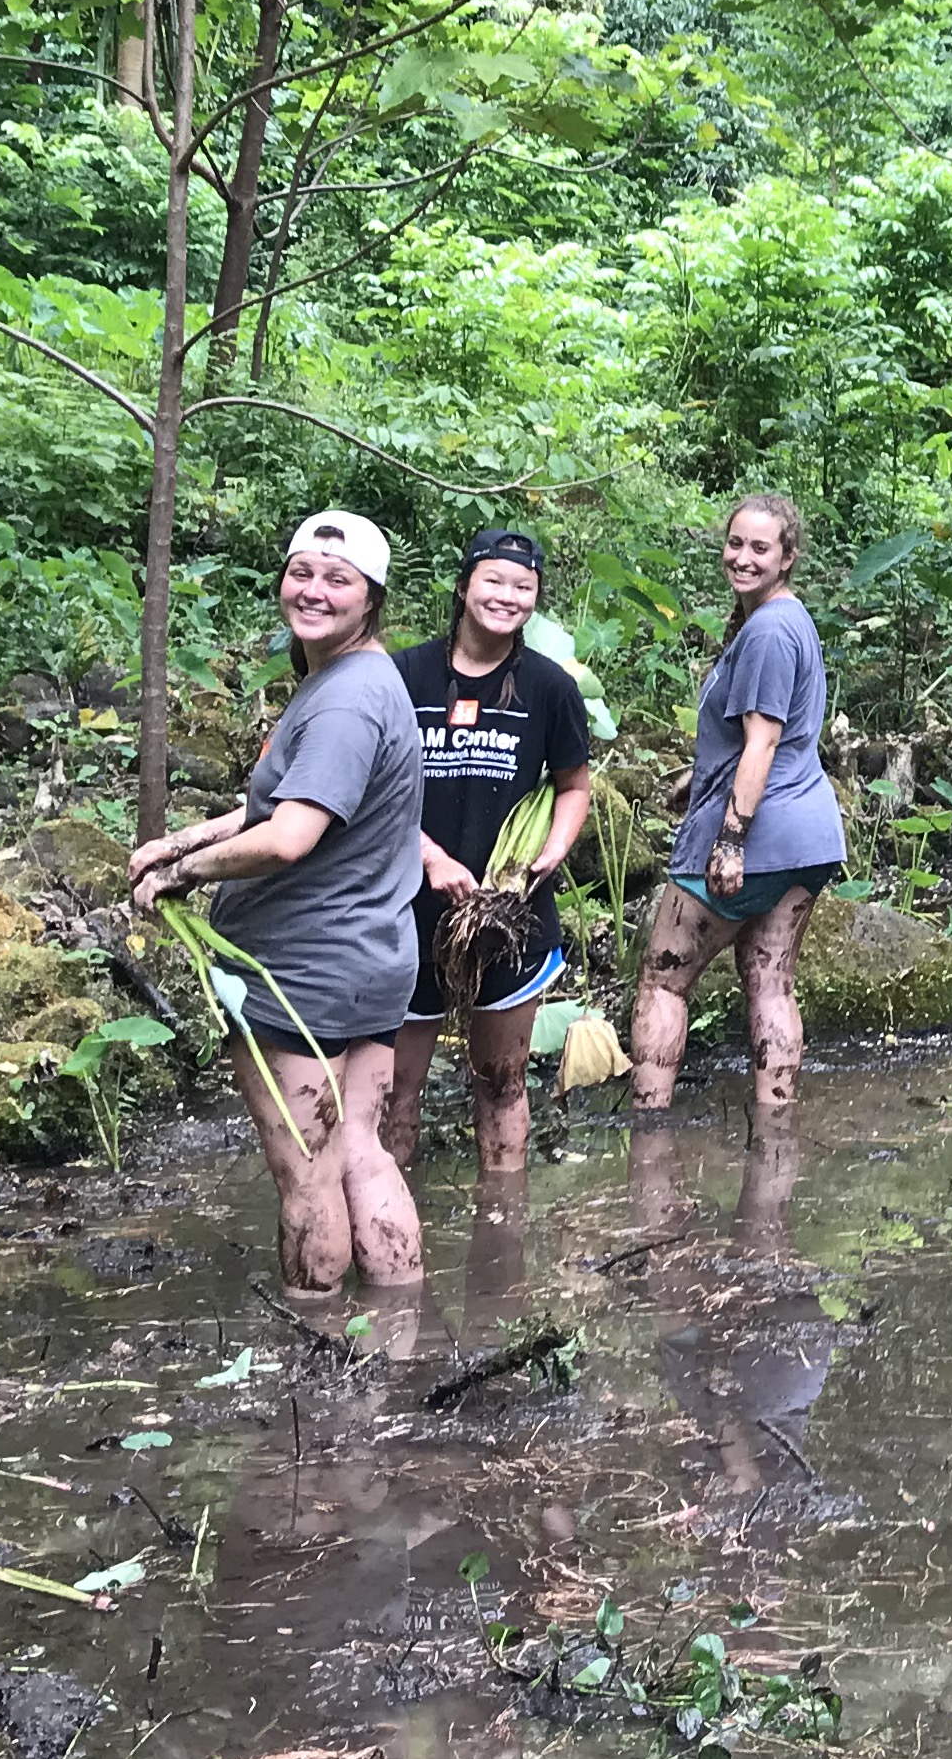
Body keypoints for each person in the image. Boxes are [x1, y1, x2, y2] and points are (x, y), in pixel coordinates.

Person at [130, 510, 427, 1292]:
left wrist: (190, 876)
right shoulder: (359, 680)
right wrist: (182, 842)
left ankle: (317, 1336)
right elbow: (289, 798)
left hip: (305, 974)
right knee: (361, 1148)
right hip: (372, 958)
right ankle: (403, 1324)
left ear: (373, 599)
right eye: (302, 573)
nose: (315, 591)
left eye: (339, 581)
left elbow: (290, 834)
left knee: (308, 1174)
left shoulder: (344, 702)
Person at [382, 528, 596, 1184]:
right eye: (494, 581)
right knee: (395, 1092)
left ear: (535, 600)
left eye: (522, 587)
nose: (506, 596)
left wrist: (553, 850)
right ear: (463, 585)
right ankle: (385, 1227)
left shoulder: (550, 688)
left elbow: (573, 787)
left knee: (501, 1083)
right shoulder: (402, 674)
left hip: (510, 914)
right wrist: (429, 858)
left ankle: (500, 1241)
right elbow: (368, 793)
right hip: (406, 913)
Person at [632, 492, 846, 1125]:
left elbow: (764, 740)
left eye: (760, 548)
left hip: (758, 834)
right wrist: (696, 780)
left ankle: (648, 1137)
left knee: (664, 981)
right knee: (771, 982)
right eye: (735, 544)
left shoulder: (770, 630)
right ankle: (774, 1140)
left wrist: (729, 839)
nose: (743, 558)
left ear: (788, 557)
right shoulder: (786, 620)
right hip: (805, 840)